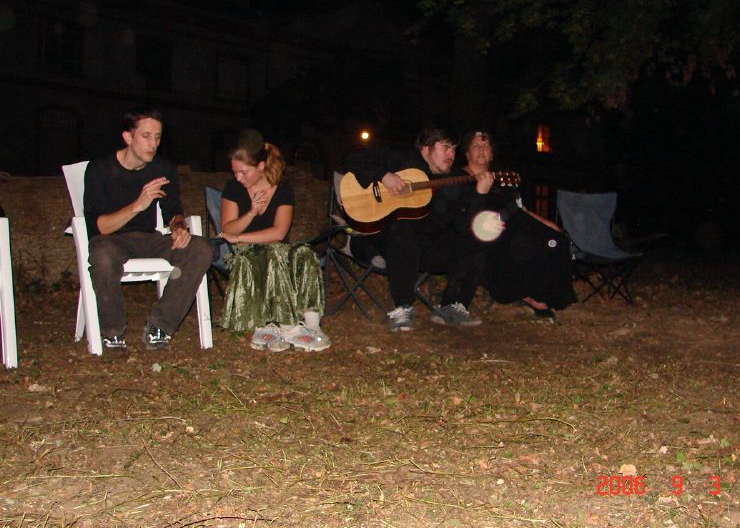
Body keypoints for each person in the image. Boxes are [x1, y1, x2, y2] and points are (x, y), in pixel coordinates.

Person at [84, 108, 213, 352]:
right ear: (128, 137)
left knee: (200, 248)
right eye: (146, 136)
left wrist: (179, 227)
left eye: (157, 137)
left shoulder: (162, 169)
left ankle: (160, 327)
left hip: (149, 240)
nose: (153, 144)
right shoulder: (100, 169)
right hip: (112, 241)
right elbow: (98, 227)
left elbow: (173, 210)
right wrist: (137, 205)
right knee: (102, 253)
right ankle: (112, 332)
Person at [341, 126, 494, 332]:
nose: (451, 155)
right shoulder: (402, 159)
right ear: (426, 147)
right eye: (446, 148)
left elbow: (465, 227)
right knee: (404, 230)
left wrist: (480, 195)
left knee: (477, 241)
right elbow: (352, 156)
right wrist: (384, 175)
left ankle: (452, 306)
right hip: (385, 239)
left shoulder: (454, 180)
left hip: (426, 248)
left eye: (454, 150)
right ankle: (402, 306)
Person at [218, 130, 329, 352]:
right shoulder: (234, 188)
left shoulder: (282, 190)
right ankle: (286, 327)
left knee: (304, 253)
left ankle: (313, 326)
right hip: (247, 255)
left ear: (260, 166)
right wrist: (250, 213)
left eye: (243, 172)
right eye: (235, 172)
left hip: (277, 248)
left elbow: (279, 233)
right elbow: (227, 228)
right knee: (272, 254)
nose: (238, 177)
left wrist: (239, 236)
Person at [462, 130, 576, 319]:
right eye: (476, 146)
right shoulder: (460, 178)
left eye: (486, 146)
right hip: (489, 230)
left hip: (516, 220)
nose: (481, 150)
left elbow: (519, 209)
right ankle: (527, 295)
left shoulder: (502, 178)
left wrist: (547, 224)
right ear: (467, 153)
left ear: (492, 153)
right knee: (524, 244)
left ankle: (549, 294)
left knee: (556, 239)